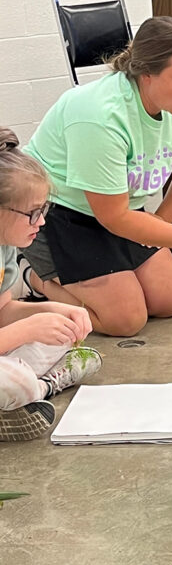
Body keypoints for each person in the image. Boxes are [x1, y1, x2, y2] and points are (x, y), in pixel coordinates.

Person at [21, 16, 172, 337]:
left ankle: (87, 281)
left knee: (168, 302)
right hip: (58, 212)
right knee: (125, 321)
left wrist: (162, 223)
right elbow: (113, 217)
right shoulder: (99, 114)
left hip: (116, 207)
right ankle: (38, 277)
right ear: (146, 74)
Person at [0, 128, 101, 441]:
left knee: (59, 334)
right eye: (32, 213)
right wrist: (27, 330)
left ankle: (22, 397)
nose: (41, 222)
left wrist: (57, 310)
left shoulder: (5, 245)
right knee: (17, 380)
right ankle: (43, 387)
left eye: (43, 210)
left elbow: (3, 310)